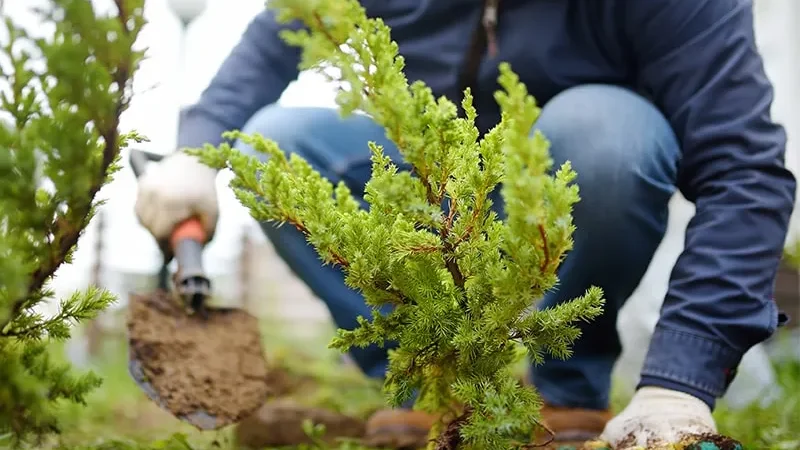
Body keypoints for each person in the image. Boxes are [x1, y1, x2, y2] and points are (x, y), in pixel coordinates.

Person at [134, 0, 796, 448]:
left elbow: (744, 170)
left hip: (568, 198)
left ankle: (568, 387)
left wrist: (681, 380)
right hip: (438, 201)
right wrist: (195, 149)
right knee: (266, 148)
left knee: (606, 134)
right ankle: (429, 379)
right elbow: (276, 35)